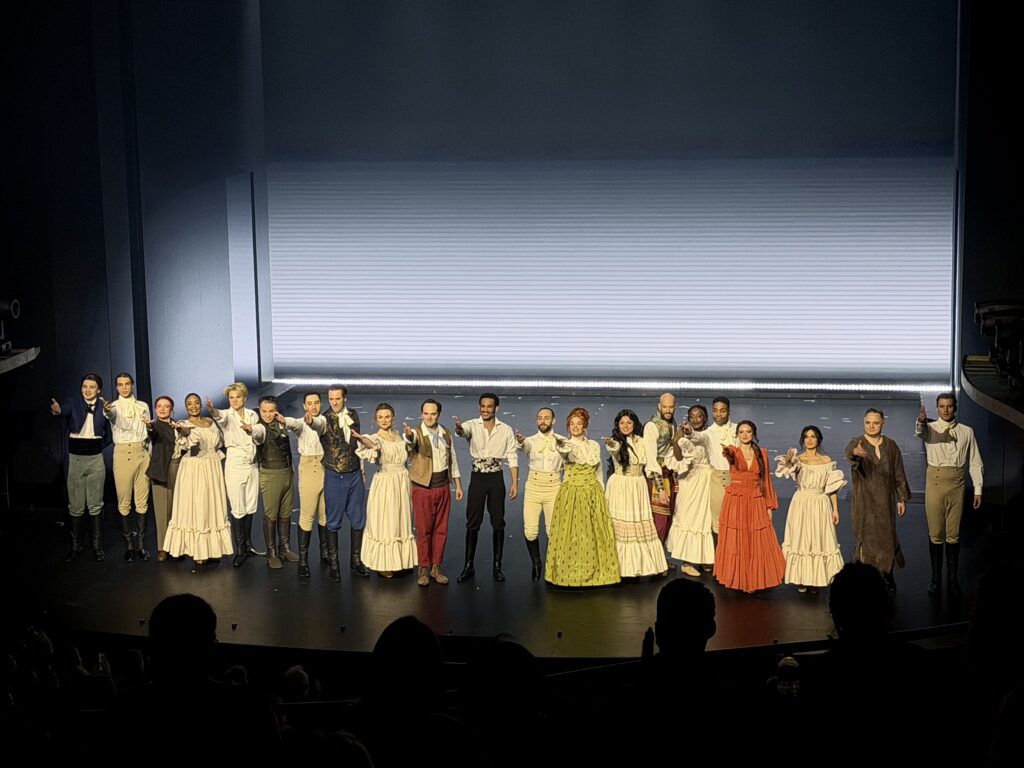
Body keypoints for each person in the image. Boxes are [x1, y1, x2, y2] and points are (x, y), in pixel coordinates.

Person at [916, 392, 984, 596]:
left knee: (953, 534)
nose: (945, 409)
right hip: (935, 482)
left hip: (957, 482)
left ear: (955, 408)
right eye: (942, 406)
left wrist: (978, 489)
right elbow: (920, 431)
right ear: (936, 408)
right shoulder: (930, 429)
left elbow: (975, 461)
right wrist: (920, 421)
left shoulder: (967, 431)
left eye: (949, 406)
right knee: (936, 533)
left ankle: (952, 580)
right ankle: (936, 579)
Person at [545, 407, 620, 587]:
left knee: (594, 534)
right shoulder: (566, 444)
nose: (575, 427)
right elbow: (566, 454)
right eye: (572, 424)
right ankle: (569, 575)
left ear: (584, 425)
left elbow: (598, 471)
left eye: (579, 424)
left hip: (592, 492)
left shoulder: (593, 445)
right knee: (572, 534)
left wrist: (601, 492)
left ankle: (598, 574)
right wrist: (562, 445)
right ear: (568, 426)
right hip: (573, 493)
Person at [454, 393, 518, 583]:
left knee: (498, 522)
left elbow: (512, 456)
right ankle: (468, 566)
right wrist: (458, 428)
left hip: (497, 477)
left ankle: (497, 567)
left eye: (489, 406)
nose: (485, 409)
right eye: (482, 406)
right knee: (472, 522)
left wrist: (515, 482)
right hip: (478, 477)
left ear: (496, 408)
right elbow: (462, 431)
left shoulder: (505, 429)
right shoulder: (472, 424)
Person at [714, 420, 785, 592]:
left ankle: (752, 581)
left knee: (756, 541)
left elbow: (766, 480)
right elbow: (728, 456)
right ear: (737, 434)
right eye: (741, 432)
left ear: (754, 433)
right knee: (736, 541)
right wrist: (728, 453)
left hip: (755, 499)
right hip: (736, 499)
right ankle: (738, 579)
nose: (745, 435)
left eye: (748, 431)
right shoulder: (732, 450)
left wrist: (769, 506)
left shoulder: (762, 453)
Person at [845, 408, 911, 592]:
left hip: (885, 501)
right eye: (868, 422)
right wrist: (856, 453)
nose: (871, 426)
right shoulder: (857, 442)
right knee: (864, 538)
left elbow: (898, 472)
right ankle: (864, 578)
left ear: (882, 423)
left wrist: (901, 498)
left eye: (875, 422)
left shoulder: (891, 445)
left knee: (887, 537)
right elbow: (850, 452)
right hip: (864, 501)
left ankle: (887, 574)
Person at [163, 394, 233, 564]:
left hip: (212, 468)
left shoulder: (210, 422)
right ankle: (198, 551)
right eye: (189, 404)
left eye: (196, 403)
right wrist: (182, 430)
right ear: (185, 407)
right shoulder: (182, 424)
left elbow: (219, 442)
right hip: (194, 469)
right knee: (198, 505)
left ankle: (213, 549)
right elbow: (187, 436)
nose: (193, 406)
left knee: (212, 506)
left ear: (201, 405)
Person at [774, 425, 845, 592]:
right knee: (801, 538)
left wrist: (835, 509)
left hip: (820, 503)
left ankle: (815, 579)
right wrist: (790, 460)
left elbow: (831, 487)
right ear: (802, 440)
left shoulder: (827, 461)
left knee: (818, 539)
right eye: (806, 436)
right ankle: (801, 578)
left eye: (813, 436)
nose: (810, 439)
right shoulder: (798, 460)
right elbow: (786, 469)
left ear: (818, 439)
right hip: (802, 502)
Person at [50, 373, 112, 562]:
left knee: (95, 505)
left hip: (95, 458)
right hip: (76, 459)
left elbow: (109, 434)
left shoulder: (104, 406)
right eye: (85, 386)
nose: (87, 389)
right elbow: (63, 410)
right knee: (76, 506)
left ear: (98, 389)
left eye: (92, 386)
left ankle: (97, 547)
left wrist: (98, 446)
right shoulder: (74, 402)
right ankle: (75, 547)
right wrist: (59, 410)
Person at [309, 384, 367, 582]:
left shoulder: (353, 414)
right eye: (331, 399)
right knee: (332, 521)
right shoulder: (324, 418)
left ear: (344, 399)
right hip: (335, 474)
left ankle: (356, 560)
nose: (334, 402)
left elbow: (357, 443)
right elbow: (317, 425)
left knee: (358, 519)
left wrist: (362, 470)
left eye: (337, 399)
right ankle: (334, 564)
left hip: (354, 473)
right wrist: (310, 422)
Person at [603, 409, 669, 578]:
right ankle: (618, 567)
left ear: (634, 424)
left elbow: (652, 467)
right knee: (621, 526)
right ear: (617, 425)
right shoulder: (616, 442)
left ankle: (641, 566)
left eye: (629, 423)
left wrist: (661, 490)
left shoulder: (642, 441)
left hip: (638, 485)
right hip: (620, 485)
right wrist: (611, 444)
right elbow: (614, 449)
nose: (625, 426)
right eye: (622, 423)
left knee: (639, 523)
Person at [404, 399, 463, 586]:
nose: (429, 417)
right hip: (423, 488)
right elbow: (410, 442)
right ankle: (423, 568)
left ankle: (436, 566)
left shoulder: (445, 433)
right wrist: (408, 436)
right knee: (424, 530)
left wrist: (458, 485)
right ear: (421, 414)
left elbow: (452, 459)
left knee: (441, 530)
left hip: (442, 486)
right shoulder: (416, 433)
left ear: (439, 414)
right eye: (426, 413)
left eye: (433, 413)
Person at [354, 403, 417, 577]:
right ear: (375, 419)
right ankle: (383, 563)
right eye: (380, 417)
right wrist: (360, 438)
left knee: (401, 520)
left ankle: (401, 560)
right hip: (386, 483)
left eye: (387, 416)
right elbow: (369, 443)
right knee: (387, 521)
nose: (384, 420)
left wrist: (410, 436)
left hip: (403, 481)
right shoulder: (376, 438)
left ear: (393, 418)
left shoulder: (399, 436)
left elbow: (411, 452)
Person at [207, 383, 263, 565]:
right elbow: (220, 417)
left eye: (237, 397)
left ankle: (248, 544)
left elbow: (258, 435)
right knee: (238, 507)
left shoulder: (252, 415)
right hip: (235, 462)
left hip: (252, 463)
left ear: (244, 398)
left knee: (250, 505)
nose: (235, 400)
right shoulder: (227, 415)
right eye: (231, 397)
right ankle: (239, 549)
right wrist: (212, 410)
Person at [103, 372, 152, 561]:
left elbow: (148, 428)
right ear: (116, 387)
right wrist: (107, 410)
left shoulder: (142, 406)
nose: (124, 387)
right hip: (123, 454)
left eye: (127, 384)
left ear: (132, 385)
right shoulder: (113, 406)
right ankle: (129, 546)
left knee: (142, 500)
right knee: (124, 501)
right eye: (120, 384)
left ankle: (140, 545)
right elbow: (110, 414)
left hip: (142, 452)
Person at [279, 392, 328, 578]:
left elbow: (320, 425)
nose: (313, 406)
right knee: (307, 514)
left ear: (321, 405)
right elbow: (295, 423)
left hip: (326, 467)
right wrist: (285, 420)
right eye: (309, 403)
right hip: (309, 468)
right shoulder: (301, 423)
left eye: (316, 403)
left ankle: (325, 553)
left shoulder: (324, 420)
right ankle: (304, 559)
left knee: (325, 514)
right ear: (304, 405)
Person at [664, 405, 715, 576]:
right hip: (689, 480)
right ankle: (686, 561)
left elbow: (702, 440)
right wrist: (678, 438)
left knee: (704, 519)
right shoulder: (682, 435)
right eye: (692, 416)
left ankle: (704, 558)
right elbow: (677, 458)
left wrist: (689, 434)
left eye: (699, 416)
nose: (695, 419)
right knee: (688, 517)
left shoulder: (708, 435)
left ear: (705, 418)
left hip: (705, 480)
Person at [515, 407, 565, 581]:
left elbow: (570, 462)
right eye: (540, 418)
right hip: (534, 487)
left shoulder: (562, 440)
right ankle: (536, 562)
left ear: (553, 420)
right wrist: (520, 441)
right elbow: (523, 446)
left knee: (552, 531)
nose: (543, 421)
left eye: (546, 418)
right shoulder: (531, 440)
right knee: (530, 531)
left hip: (554, 486)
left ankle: (552, 565)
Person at [254, 395, 298, 569]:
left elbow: (287, 446)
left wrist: (292, 467)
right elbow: (257, 434)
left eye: (271, 411)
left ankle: (284, 548)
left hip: (286, 471)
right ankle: (271, 552)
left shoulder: (281, 424)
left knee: (286, 512)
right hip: (271, 473)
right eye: (263, 411)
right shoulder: (260, 427)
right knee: (271, 514)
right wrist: (251, 429)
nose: (267, 414)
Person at [145, 395, 182, 562]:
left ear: (171, 409)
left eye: (166, 406)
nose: (162, 409)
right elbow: (153, 433)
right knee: (161, 510)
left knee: (178, 510)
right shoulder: (154, 425)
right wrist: (150, 427)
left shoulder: (178, 425)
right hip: (160, 469)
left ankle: (177, 547)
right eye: (159, 406)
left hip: (177, 467)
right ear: (155, 408)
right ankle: (163, 548)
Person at [642, 393, 679, 553]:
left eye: (671, 407)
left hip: (669, 475)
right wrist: (661, 488)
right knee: (659, 521)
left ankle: (661, 558)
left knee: (668, 520)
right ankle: (654, 562)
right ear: (659, 406)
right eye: (665, 407)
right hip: (657, 478)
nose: (668, 410)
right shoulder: (652, 426)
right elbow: (651, 458)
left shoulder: (673, 424)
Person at [704, 396, 737, 539]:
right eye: (716, 411)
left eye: (722, 411)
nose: (719, 414)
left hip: (735, 479)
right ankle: (719, 558)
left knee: (736, 518)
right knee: (716, 520)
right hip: (716, 479)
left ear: (729, 412)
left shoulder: (738, 429)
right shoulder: (707, 433)